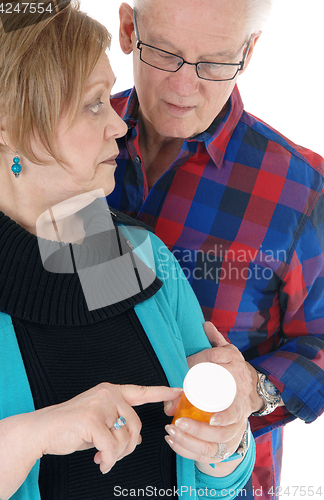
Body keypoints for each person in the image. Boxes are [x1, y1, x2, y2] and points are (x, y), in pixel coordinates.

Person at [0, 2, 259, 500]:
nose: (119, 124)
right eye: (93, 103)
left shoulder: (128, 251)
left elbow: (208, 483)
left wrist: (225, 445)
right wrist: (29, 436)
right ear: (5, 124)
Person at [107, 0, 324, 498]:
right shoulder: (61, 142)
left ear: (248, 53)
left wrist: (255, 388)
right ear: (126, 29)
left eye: (214, 62)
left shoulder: (302, 190)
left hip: (220, 484)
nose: (184, 86)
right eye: (163, 52)